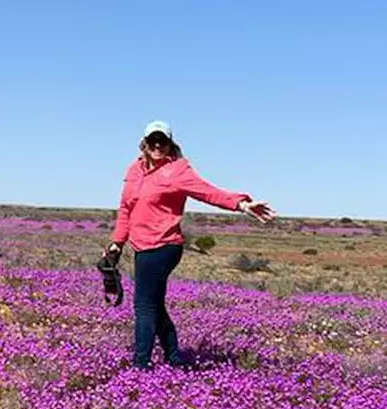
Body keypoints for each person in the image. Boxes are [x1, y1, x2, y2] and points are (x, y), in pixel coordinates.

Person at [105, 120, 276, 370]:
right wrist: (117, 243)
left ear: (170, 143)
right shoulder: (134, 170)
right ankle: (175, 359)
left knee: (143, 304)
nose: (157, 145)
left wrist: (241, 204)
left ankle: (140, 367)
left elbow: (208, 192)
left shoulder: (178, 170)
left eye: (162, 141)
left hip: (164, 246)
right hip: (141, 245)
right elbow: (126, 208)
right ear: (144, 143)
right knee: (154, 304)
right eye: (152, 140)